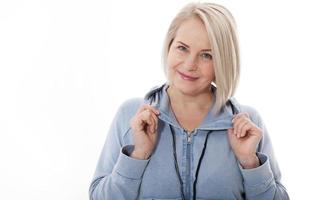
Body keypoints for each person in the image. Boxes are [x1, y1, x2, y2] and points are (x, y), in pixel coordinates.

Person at [89, 2, 289, 200]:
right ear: (169, 47)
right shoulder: (132, 114)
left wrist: (250, 163)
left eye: (206, 55)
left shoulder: (248, 123)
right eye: (182, 48)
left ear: (223, 61)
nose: (189, 64)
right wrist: (138, 154)